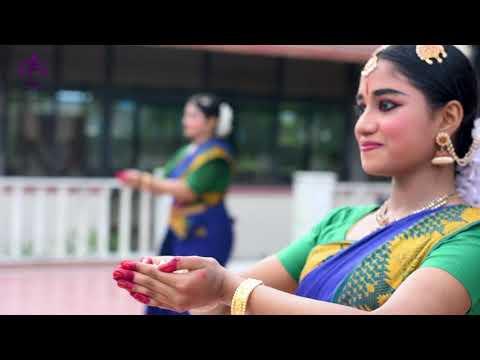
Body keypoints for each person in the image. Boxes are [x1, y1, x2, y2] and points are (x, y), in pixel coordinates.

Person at [114, 45, 480, 315]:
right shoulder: (342, 221)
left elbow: (236, 290)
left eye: (386, 105)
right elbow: (222, 303)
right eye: (361, 106)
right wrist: (189, 288)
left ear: (447, 118)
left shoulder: (470, 238)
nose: (363, 124)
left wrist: (227, 287)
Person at [117, 94, 235, 315]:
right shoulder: (187, 150)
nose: (185, 120)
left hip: (205, 229)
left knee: (194, 294)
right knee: (161, 285)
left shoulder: (217, 154)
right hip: (179, 227)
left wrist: (144, 181)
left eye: (192, 115)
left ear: (211, 121)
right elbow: (167, 178)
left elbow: (188, 190)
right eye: (185, 115)